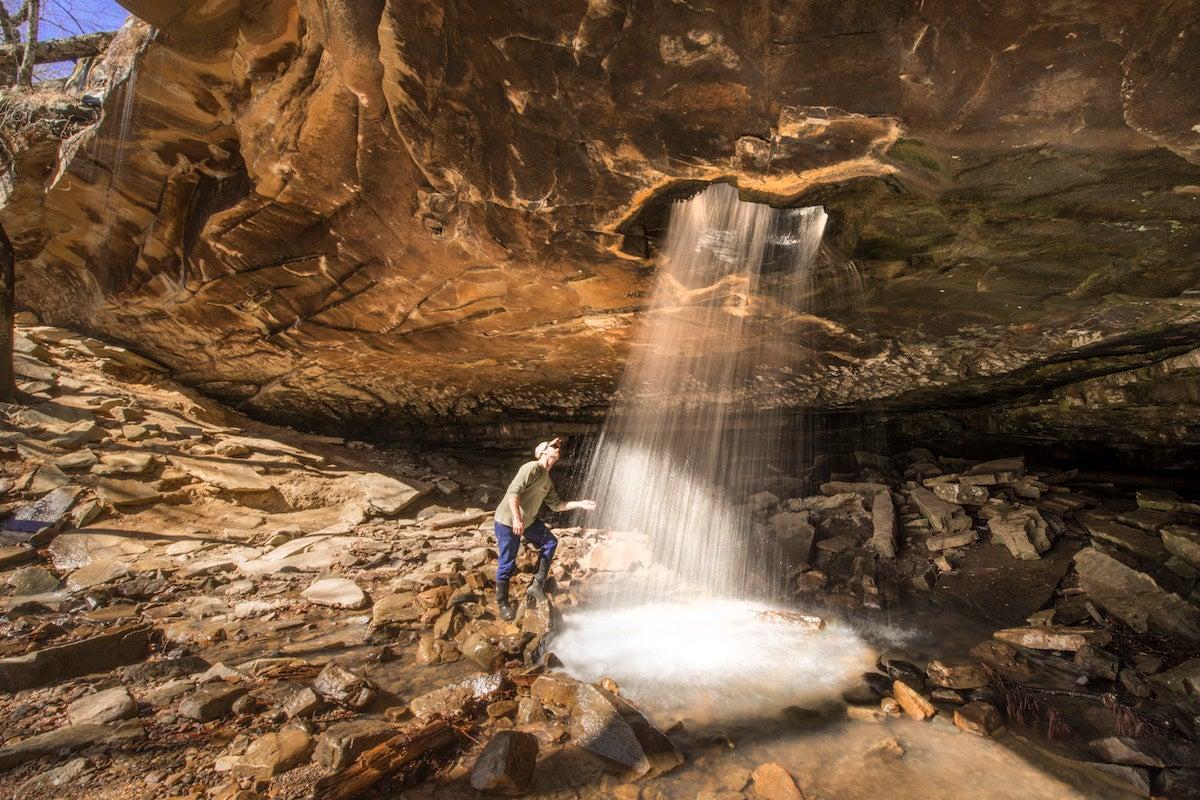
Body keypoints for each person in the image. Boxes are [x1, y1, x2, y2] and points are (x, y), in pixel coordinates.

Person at [493, 437, 595, 621]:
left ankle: (537, 584)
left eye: (558, 446)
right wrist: (517, 519)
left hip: (528, 521)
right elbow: (513, 493)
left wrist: (580, 503)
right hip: (508, 521)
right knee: (508, 560)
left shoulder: (547, 480)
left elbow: (557, 505)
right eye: (553, 446)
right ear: (543, 452)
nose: (557, 448)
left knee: (550, 542)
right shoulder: (531, 467)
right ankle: (502, 603)